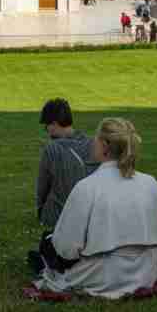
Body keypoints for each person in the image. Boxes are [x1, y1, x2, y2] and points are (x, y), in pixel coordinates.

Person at [34, 118, 157, 299]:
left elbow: (66, 249)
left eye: (95, 138)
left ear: (104, 145)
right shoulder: (150, 183)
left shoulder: (87, 187)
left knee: (47, 243)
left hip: (102, 277)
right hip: (145, 272)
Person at [36, 98, 95, 231]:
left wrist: (40, 209)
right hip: (90, 213)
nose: (46, 130)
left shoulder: (52, 149)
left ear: (55, 124)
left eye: (46, 126)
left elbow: (42, 186)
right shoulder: (93, 144)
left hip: (60, 215)